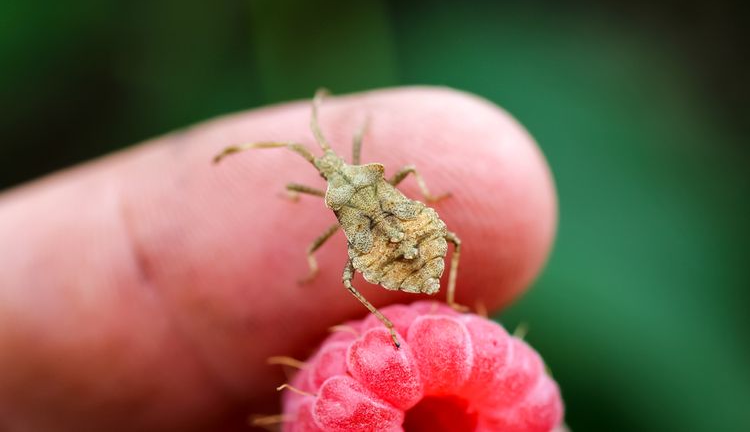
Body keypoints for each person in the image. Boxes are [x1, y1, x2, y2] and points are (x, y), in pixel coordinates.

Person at [0, 87, 557, 431]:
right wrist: (425, 205)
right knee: (445, 244)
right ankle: (404, 309)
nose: (328, 170)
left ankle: (392, 311)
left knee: (342, 266)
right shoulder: (358, 184)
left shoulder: (344, 186)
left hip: (394, 242)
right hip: (411, 237)